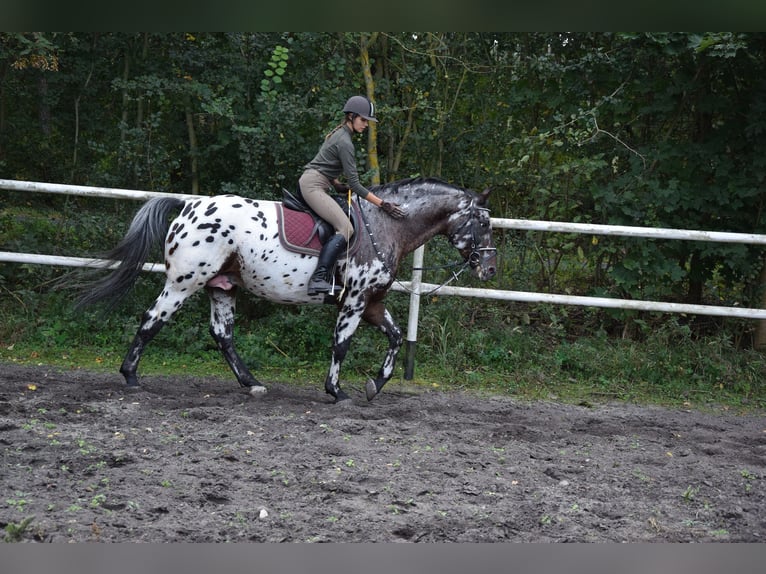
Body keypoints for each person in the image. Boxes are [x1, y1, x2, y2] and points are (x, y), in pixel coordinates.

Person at [299, 95, 406, 296]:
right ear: (351, 116)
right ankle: (318, 278)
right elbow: (356, 185)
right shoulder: (345, 142)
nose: (366, 125)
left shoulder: (340, 134)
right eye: (363, 120)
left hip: (316, 182)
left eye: (367, 121)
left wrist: (337, 184)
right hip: (312, 186)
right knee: (346, 228)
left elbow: (324, 163)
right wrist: (383, 204)